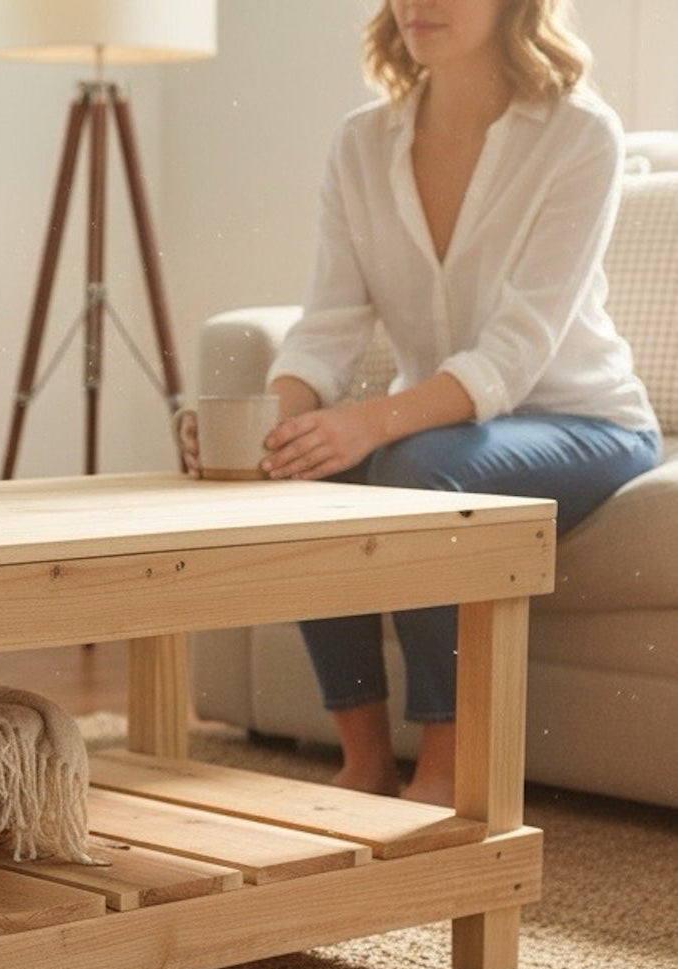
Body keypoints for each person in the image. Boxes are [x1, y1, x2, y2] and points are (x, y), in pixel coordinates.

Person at [257, 0, 661, 805]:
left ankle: (445, 768)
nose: (417, 3)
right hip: (449, 427)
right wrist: (276, 427)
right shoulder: (361, 143)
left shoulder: (579, 134)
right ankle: (363, 761)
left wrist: (366, 421)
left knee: (410, 465)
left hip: (585, 423)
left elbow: (518, 348)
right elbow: (328, 325)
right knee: (305, 469)